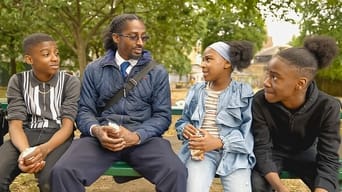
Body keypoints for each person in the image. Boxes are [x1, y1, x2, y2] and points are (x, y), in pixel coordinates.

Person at [50, 13, 187, 192]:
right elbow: (84, 111)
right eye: (133, 36)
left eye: (143, 37)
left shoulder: (157, 72)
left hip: (143, 140)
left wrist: (137, 136)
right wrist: (97, 131)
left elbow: (162, 116)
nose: (140, 42)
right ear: (116, 37)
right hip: (100, 140)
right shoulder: (94, 69)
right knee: (63, 171)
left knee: (175, 172)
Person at [251, 35, 341, 192]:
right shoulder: (259, 101)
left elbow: (328, 158)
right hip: (272, 153)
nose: (266, 82)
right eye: (268, 74)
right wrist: (280, 188)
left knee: (328, 185)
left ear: (300, 84)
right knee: (256, 184)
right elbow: (262, 149)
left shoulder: (328, 107)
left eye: (275, 77)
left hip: (306, 154)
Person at [0, 33, 80, 191]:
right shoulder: (18, 81)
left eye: (56, 53)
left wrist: (44, 149)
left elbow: (67, 126)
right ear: (29, 59)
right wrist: (26, 153)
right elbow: (15, 124)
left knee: (50, 181)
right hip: (26, 134)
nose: (54, 58)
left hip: (58, 138)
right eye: (46, 54)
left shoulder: (70, 82)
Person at [175, 40, 256, 192]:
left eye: (208, 59)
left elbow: (248, 132)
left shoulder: (242, 92)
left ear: (227, 63)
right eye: (202, 60)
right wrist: (184, 128)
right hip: (200, 154)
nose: (203, 64)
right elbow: (183, 120)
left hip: (234, 155)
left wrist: (219, 142)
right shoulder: (196, 91)